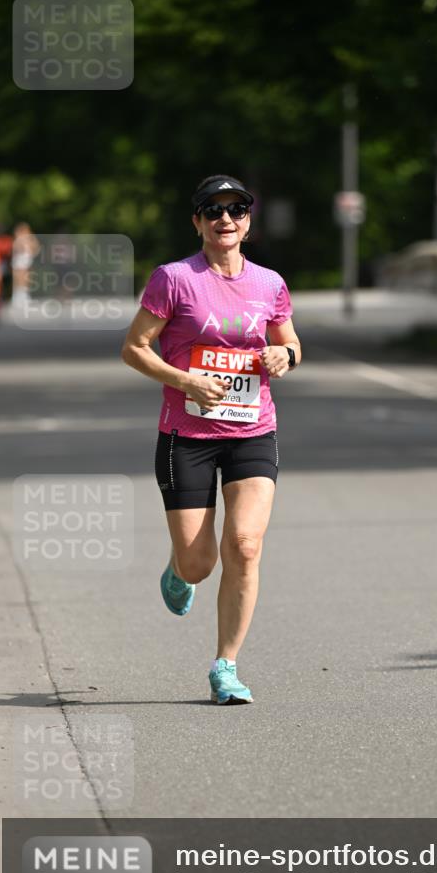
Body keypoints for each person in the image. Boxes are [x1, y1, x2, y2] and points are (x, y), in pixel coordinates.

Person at [122, 175, 301, 705]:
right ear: (197, 221)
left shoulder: (270, 284)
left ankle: (226, 666)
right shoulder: (174, 279)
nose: (226, 218)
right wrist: (184, 380)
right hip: (187, 435)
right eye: (213, 210)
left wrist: (282, 357)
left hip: (253, 429)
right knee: (201, 562)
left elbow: (290, 342)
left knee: (245, 546)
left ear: (248, 221)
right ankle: (180, 569)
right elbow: (134, 349)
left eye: (237, 209)